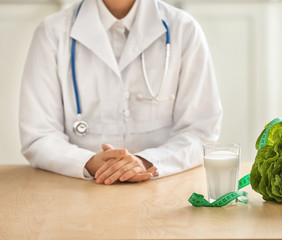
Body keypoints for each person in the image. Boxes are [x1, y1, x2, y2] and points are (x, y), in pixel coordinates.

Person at [19, 0, 222, 184]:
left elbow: (200, 131)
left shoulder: (184, 29)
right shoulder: (52, 31)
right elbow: (39, 135)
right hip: (78, 187)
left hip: (164, 185)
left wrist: (145, 162)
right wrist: (88, 162)